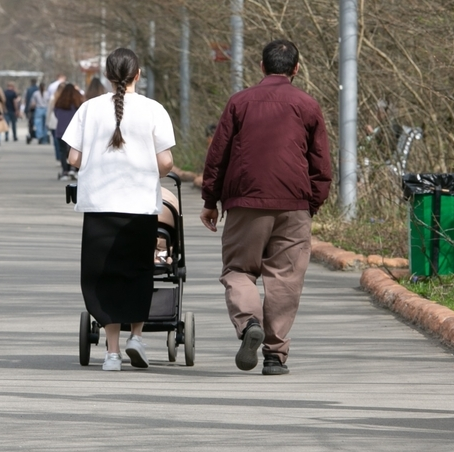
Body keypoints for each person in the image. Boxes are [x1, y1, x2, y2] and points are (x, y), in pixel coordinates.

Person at [199, 39, 332, 376]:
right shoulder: (308, 105)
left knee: (238, 270)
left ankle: (248, 326)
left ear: (261, 67)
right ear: (296, 68)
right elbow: (321, 164)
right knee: (285, 279)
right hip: (294, 204)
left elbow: (218, 155)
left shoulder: (239, 103)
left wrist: (210, 200)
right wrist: (310, 203)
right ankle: (275, 356)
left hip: (245, 202)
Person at [63, 47, 175, 371]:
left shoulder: (89, 109)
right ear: (137, 75)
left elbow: (73, 158)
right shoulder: (154, 110)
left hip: (99, 204)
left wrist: (99, 162)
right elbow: (165, 161)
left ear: (108, 76)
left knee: (103, 276)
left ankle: (112, 353)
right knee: (138, 270)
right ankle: (136, 337)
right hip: (140, 204)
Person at [53, 83, 83, 180]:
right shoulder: (78, 103)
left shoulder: (59, 102)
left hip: (61, 129)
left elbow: (56, 114)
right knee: (74, 150)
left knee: (62, 151)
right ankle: (74, 170)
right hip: (74, 131)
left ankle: (65, 171)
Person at [46, 83, 65, 162]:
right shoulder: (68, 98)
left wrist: (47, 122)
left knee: (56, 141)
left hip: (54, 121)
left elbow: (49, 111)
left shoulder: (53, 98)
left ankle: (58, 157)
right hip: (64, 121)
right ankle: (63, 157)